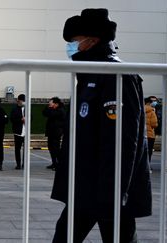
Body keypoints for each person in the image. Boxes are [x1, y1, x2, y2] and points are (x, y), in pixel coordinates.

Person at [51, 9, 152, 243]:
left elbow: (124, 140)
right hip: (86, 184)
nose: (71, 48)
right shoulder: (90, 73)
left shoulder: (118, 75)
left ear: (92, 40)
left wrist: (114, 191)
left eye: (75, 42)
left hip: (109, 188)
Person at [43, 97, 66, 171]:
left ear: (56, 104)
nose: (50, 105)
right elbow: (44, 112)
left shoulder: (60, 110)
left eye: (51, 103)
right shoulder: (53, 109)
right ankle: (54, 163)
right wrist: (49, 107)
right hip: (51, 132)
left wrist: (49, 108)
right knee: (51, 147)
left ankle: (59, 164)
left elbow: (51, 114)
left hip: (56, 132)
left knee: (56, 148)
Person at [10, 94, 26, 170]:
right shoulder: (15, 109)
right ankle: (18, 164)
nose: (22, 102)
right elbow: (12, 119)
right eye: (21, 100)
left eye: (23, 101)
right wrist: (21, 120)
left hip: (26, 132)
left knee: (25, 150)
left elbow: (31, 118)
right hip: (18, 132)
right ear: (18, 100)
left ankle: (25, 164)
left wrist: (27, 120)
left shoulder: (27, 109)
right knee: (17, 149)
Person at [144, 97, 158, 170]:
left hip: (142, 134)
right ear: (149, 103)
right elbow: (154, 124)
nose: (155, 103)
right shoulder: (152, 111)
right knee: (149, 151)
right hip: (150, 134)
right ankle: (147, 166)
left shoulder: (141, 109)